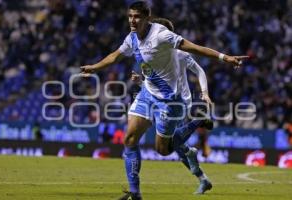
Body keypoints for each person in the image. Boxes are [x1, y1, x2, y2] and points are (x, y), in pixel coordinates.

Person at [81, 2, 248, 199]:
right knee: (129, 139)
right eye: (130, 16)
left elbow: (194, 48)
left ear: (146, 18)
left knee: (163, 150)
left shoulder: (162, 35)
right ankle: (135, 193)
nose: (132, 20)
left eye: (136, 17)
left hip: (170, 102)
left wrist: (224, 57)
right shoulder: (132, 38)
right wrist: (95, 67)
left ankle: (199, 122)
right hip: (146, 94)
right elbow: (115, 56)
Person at [130, 16, 214, 194]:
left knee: (169, 144)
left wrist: (204, 92)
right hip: (158, 102)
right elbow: (155, 84)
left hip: (178, 102)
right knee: (173, 145)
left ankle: (198, 121)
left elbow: (199, 70)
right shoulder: (154, 55)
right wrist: (140, 82)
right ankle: (202, 178)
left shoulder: (180, 53)